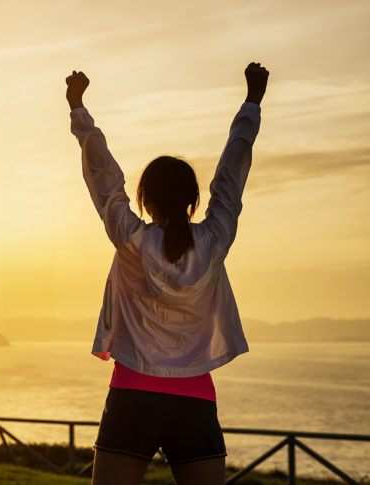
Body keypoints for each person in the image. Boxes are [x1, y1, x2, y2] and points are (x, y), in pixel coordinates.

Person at [66, 62, 269, 485]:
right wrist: (252, 101)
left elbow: (104, 180)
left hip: (131, 395)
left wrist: (79, 110)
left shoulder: (131, 240)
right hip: (194, 399)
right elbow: (231, 178)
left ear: (145, 199)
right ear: (193, 200)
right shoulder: (214, 242)